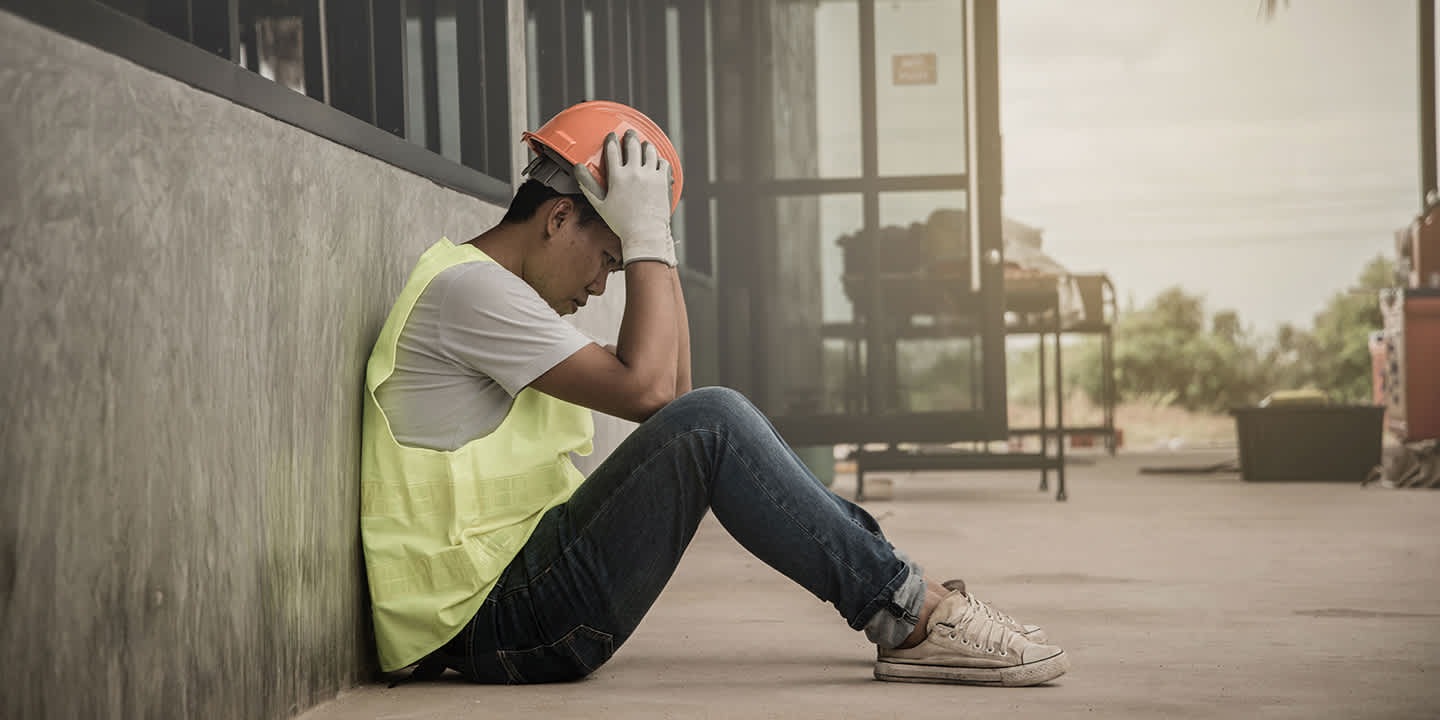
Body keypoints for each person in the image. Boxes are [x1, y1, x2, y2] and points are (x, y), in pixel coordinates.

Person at [360, 100, 1069, 687]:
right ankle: (913, 614)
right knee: (717, 419)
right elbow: (665, 399)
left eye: (619, 263)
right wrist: (650, 245)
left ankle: (914, 602)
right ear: (557, 219)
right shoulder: (473, 293)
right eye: (609, 259)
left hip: (515, 600)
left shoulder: (498, 301)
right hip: (498, 616)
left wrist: (648, 239)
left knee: (712, 418)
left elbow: (675, 396)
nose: (604, 284)